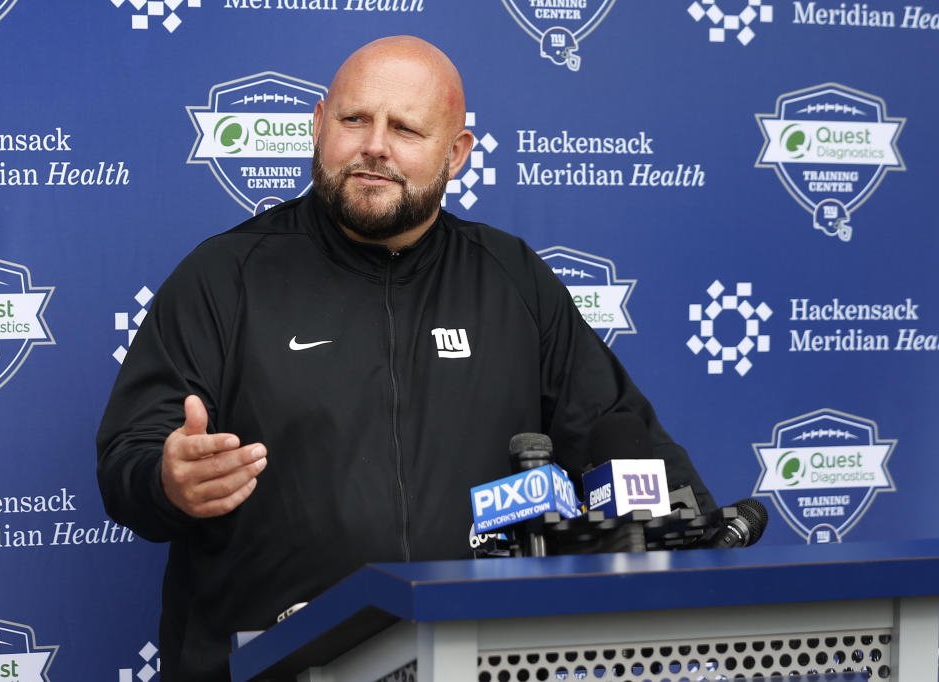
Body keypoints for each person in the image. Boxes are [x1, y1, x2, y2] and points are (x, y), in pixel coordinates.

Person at [96, 35, 715, 681]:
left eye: (406, 128)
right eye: (354, 119)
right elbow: (129, 458)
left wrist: (691, 527)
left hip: (475, 660)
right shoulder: (225, 275)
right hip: (269, 667)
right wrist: (167, 481)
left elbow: (624, 443)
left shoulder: (513, 281)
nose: (375, 146)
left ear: (457, 153)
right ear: (317, 125)